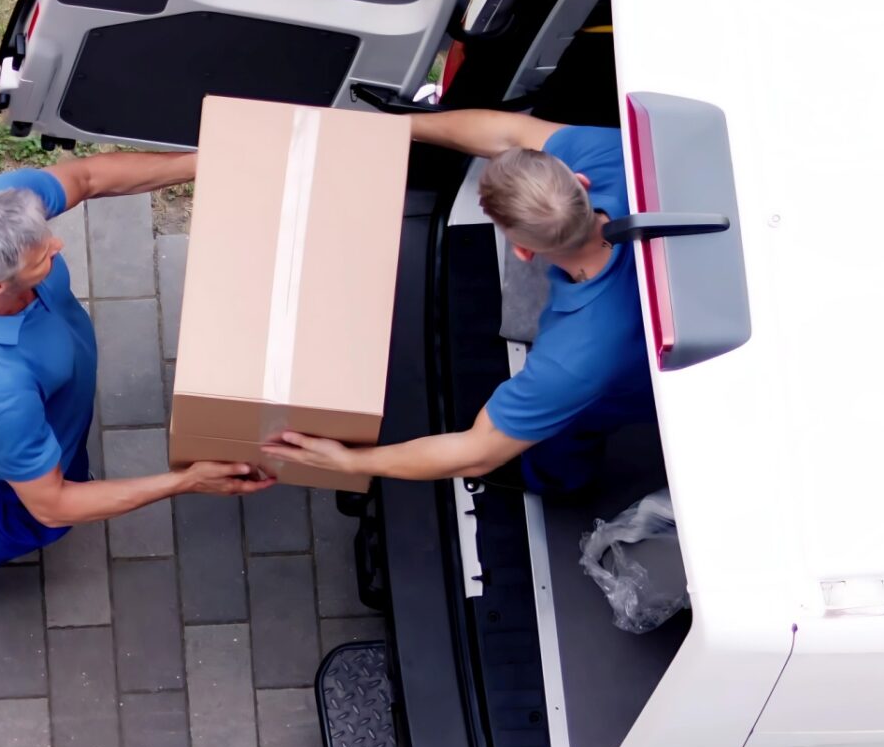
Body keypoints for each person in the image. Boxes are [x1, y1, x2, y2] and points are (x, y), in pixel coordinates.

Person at [0, 157, 276, 622]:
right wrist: (189, 480)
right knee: (28, 519)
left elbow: (87, 178)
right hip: (25, 429)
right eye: (44, 256)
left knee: (11, 468)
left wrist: (210, 159)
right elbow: (53, 505)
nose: (58, 243)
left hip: (22, 421)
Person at [262, 110, 651, 497]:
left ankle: (560, 480)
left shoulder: (572, 362)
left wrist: (350, 463)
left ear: (523, 252)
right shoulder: (618, 154)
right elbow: (510, 132)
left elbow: (477, 452)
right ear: (579, 180)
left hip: (649, 382)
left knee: (564, 427)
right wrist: (399, 128)